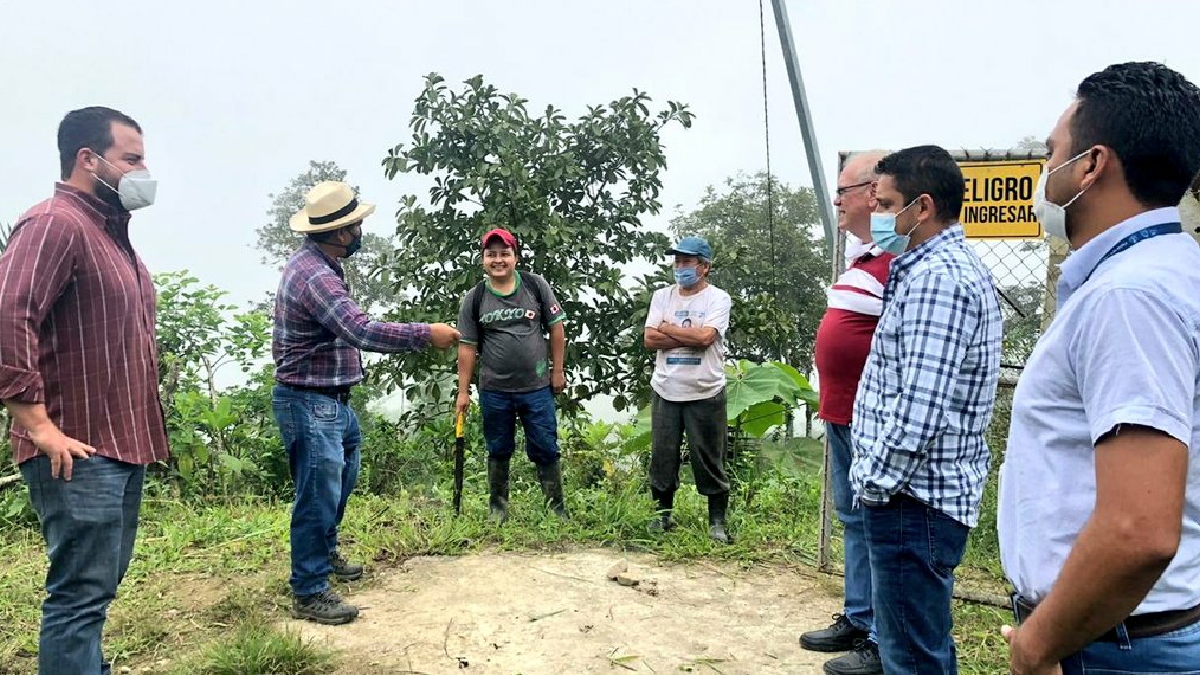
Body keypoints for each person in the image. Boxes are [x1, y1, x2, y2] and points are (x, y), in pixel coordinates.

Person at [998, 62, 1200, 675]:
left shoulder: (1129, 297)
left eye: (1053, 152)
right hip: (1127, 632)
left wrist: (1038, 646)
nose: (1044, 173)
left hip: (1115, 646)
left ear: (1090, 166)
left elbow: (1138, 527)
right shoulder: (1173, 271)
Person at [0, 106, 165, 675]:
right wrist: (38, 425)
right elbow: (7, 316)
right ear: (88, 160)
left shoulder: (113, 239)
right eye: (132, 158)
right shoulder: (54, 223)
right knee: (79, 597)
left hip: (119, 444)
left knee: (97, 588)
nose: (145, 170)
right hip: (76, 447)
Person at [272, 180, 460, 625]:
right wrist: (424, 333)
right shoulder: (315, 276)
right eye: (356, 224)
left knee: (337, 483)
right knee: (317, 496)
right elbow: (361, 330)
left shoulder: (322, 264)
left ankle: (325, 553)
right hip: (310, 401)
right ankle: (310, 589)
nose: (360, 231)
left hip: (331, 402)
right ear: (339, 232)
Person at [850, 145, 1003, 674]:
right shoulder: (924, 270)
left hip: (911, 499)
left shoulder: (939, 279)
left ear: (923, 207)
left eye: (888, 203)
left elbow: (920, 409)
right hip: (914, 497)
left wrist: (874, 481)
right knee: (917, 646)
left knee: (912, 657)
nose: (879, 215)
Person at [799, 150, 891, 675]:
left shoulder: (899, 258)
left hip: (872, 415)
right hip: (840, 410)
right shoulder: (861, 254)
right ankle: (859, 618)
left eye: (843, 190)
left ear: (872, 192)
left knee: (877, 524)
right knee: (854, 521)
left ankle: (882, 637)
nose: (836, 201)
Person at [455, 228, 568, 523]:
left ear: (515, 257)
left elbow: (556, 328)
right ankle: (498, 509)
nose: (498, 260)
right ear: (483, 260)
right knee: (498, 447)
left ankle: (556, 509)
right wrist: (463, 392)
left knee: (545, 445)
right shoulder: (475, 297)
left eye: (504, 253)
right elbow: (467, 346)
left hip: (537, 386)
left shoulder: (535, 285)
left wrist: (558, 370)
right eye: (491, 254)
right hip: (494, 389)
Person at [643, 236, 733, 544]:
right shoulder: (662, 296)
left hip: (706, 391)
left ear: (704, 267)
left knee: (709, 457)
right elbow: (649, 340)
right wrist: (688, 335)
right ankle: (661, 516)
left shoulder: (718, 299)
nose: (680, 267)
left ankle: (717, 522)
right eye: (678, 262)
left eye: (687, 262)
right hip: (666, 390)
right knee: (662, 456)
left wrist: (668, 328)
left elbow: (707, 337)